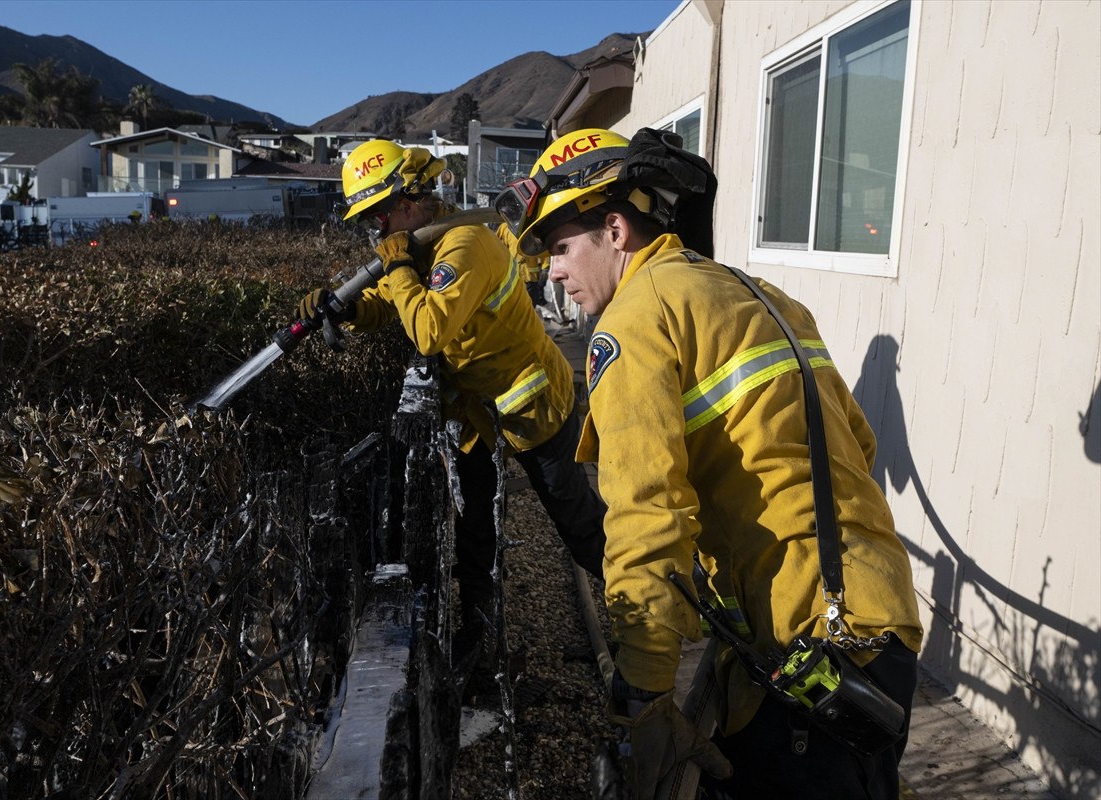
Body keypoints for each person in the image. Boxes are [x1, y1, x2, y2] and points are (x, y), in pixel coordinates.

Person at [494, 128, 924, 800]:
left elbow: (646, 518)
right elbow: (857, 447)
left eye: (558, 247)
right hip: (877, 621)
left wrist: (641, 698)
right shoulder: (762, 295)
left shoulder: (634, 321)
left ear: (615, 230)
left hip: (804, 641)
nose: (552, 271)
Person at [296, 138, 607, 664]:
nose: (375, 230)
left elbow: (428, 330)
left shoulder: (464, 246)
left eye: (378, 217)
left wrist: (396, 267)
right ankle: (478, 633)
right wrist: (344, 308)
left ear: (408, 204)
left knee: (574, 519)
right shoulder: (422, 249)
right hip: (478, 415)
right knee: (474, 529)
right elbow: (391, 304)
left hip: (534, 405)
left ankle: (638, 617)